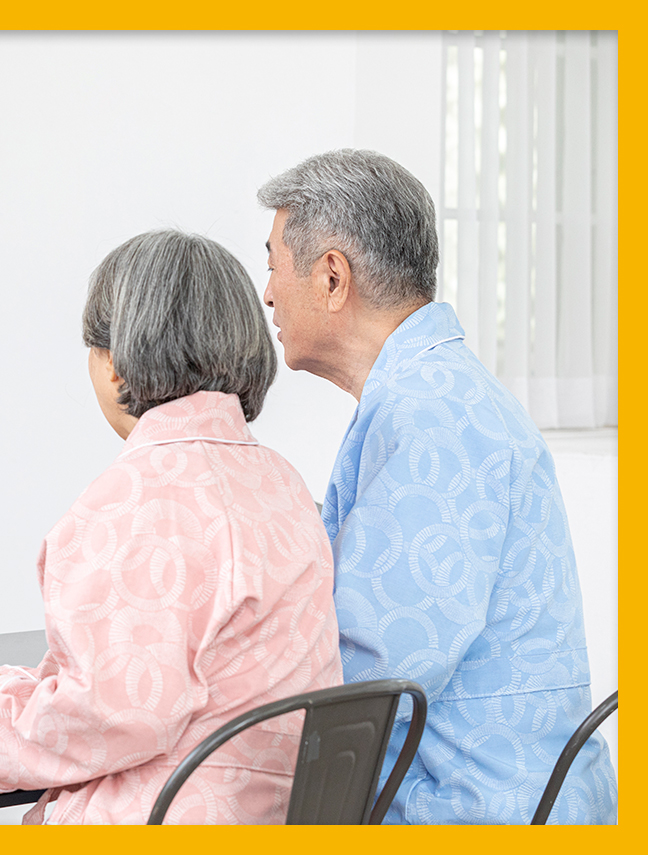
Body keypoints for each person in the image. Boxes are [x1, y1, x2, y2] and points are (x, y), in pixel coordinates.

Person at [0, 230, 343, 824]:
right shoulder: (284, 485)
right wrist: (9, 692)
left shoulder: (133, 501)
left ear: (113, 362)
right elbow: (170, 679)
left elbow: (114, 717)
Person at [255, 149, 618, 824]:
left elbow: (375, 673)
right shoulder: (429, 393)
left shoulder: (432, 414)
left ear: (332, 276)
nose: (269, 293)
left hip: (479, 812)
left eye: (273, 264)